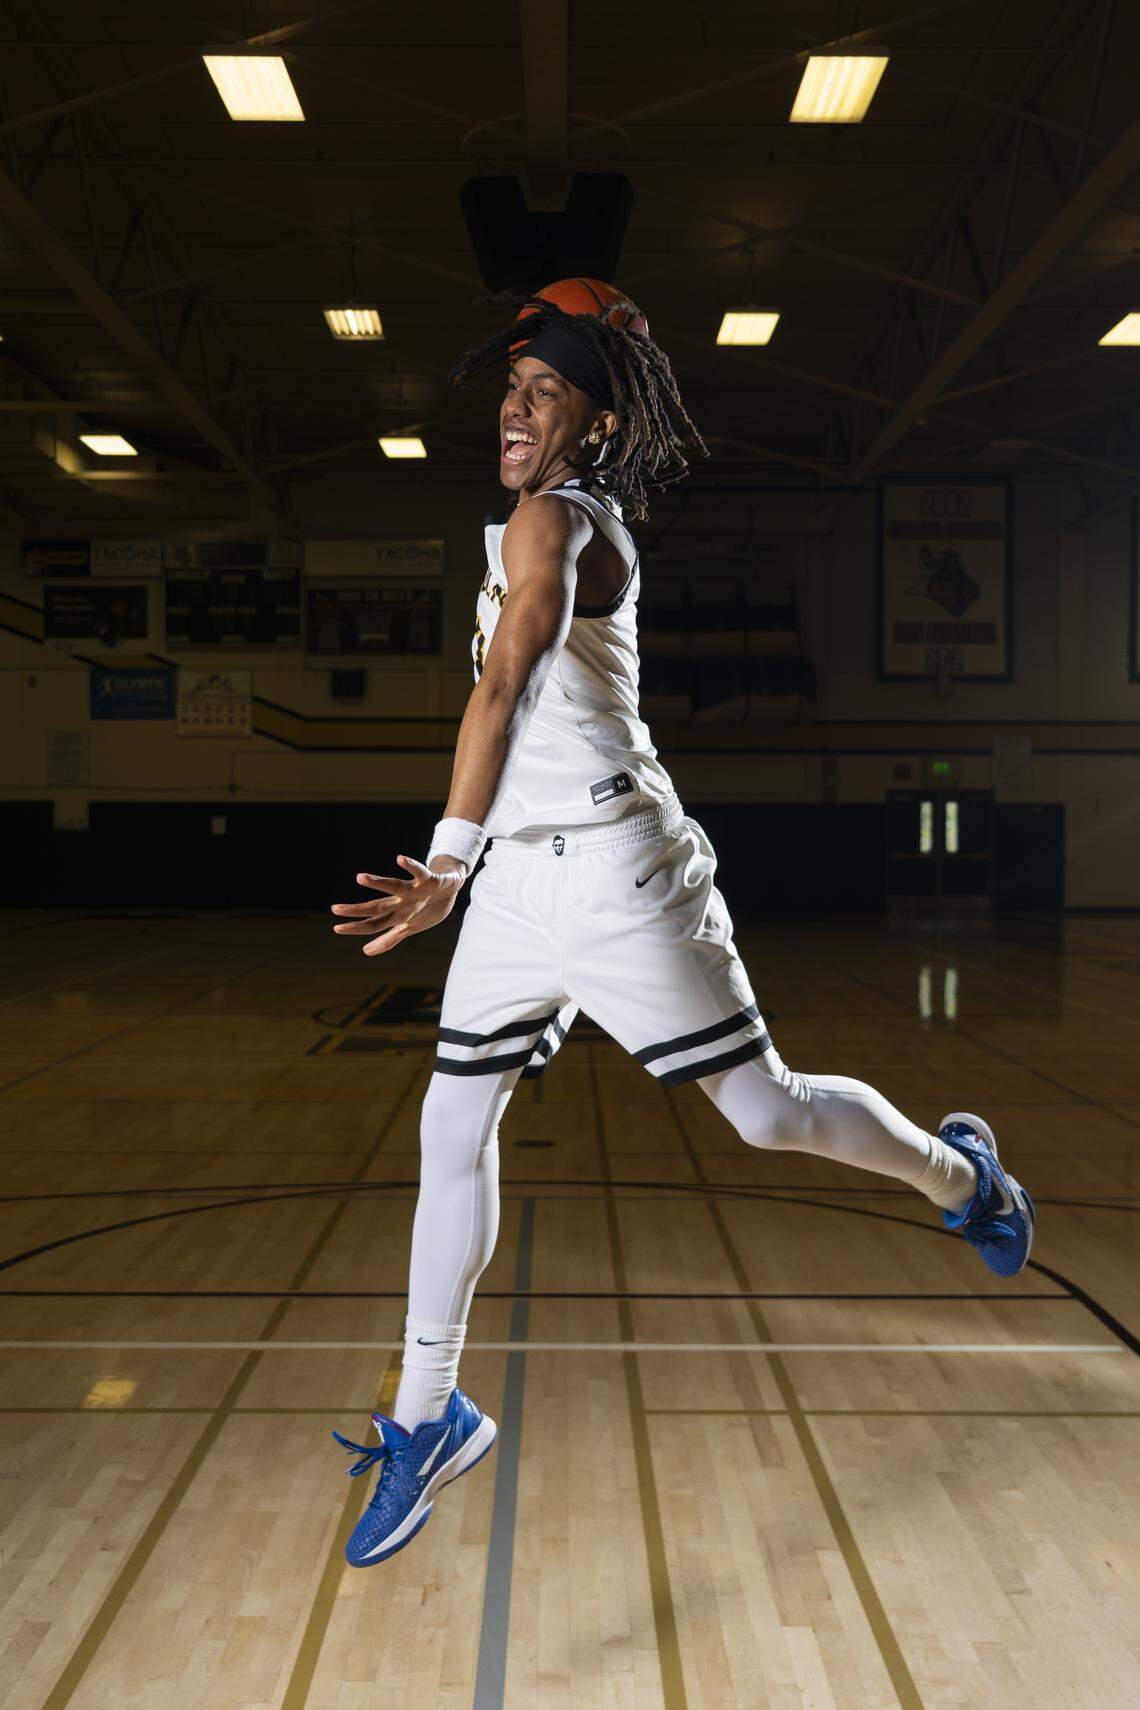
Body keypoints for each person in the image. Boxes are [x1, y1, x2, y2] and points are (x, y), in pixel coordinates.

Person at [328, 291, 1035, 1568]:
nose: (515, 406)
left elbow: (505, 680)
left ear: (596, 424)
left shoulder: (561, 519)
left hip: (614, 873)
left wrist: (445, 860)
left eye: (544, 392)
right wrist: (478, 873)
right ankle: (428, 1418)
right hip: (521, 890)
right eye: (510, 389)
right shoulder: (521, 524)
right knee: (451, 1123)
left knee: (762, 1112)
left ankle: (962, 1176)